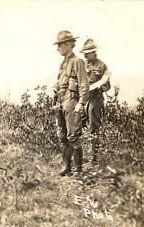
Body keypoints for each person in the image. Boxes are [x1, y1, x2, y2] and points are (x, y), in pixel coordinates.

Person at [53, 30, 89, 176]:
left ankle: (79, 170)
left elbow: (83, 84)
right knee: (62, 136)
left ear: (68, 44)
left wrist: (81, 103)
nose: (58, 48)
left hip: (72, 101)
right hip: (61, 101)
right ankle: (67, 168)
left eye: (60, 45)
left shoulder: (77, 61)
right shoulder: (63, 63)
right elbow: (61, 82)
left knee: (73, 136)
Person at [81, 39, 111, 164]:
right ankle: (80, 156)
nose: (85, 55)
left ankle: (94, 157)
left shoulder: (102, 66)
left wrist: (100, 87)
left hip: (95, 100)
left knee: (94, 128)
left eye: (88, 53)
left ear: (94, 52)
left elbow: (107, 85)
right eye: (84, 53)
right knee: (77, 125)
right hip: (83, 99)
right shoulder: (83, 65)